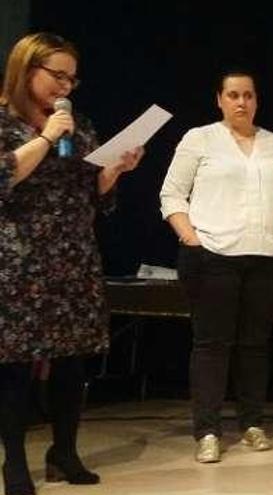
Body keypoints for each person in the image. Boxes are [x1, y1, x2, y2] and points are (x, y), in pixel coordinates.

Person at [0, 32, 143, 494]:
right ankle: (14, 463)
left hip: (74, 256)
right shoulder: (5, 120)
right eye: (56, 75)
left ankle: (64, 451)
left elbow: (91, 194)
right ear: (27, 70)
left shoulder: (77, 124)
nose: (65, 86)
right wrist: (45, 137)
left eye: (71, 78)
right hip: (19, 260)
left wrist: (114, 170)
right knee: (15, 365)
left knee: (71, 363)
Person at [159, 70, 273, 463]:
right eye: (233, 95)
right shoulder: (200, 139)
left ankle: (252, 422)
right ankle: (207, 430)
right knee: (211, 345)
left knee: (255, 345)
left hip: (264, 258)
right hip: (213, 256)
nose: (241, 102)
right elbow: (172, 193)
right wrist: (191, 237)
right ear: (219, 99)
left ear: (257, 100)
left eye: (249, 95)